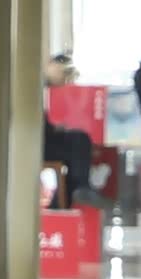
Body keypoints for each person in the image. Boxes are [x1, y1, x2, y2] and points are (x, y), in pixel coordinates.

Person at [38, 53, 98, 206]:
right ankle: (79, 188)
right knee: (78, 141)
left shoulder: (52, 90)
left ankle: (76, 192)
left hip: (42, 138)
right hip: (35, 142)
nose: (65, 78)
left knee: (79, 140)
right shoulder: (38, 86)